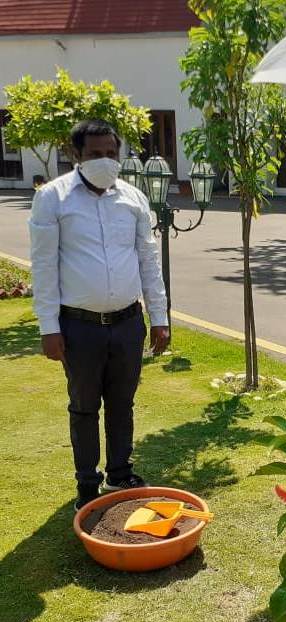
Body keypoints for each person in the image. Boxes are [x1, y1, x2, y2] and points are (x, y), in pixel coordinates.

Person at [29, 119, 169, 511]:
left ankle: (120, 472)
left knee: (122, 403)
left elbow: (148, 260)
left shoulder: (133, 198)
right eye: (95, 154)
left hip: (127, 323)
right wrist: (48, 327)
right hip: (79, 327)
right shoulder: (53, 199)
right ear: (76, 155)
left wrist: (159, 318)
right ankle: (87, 483)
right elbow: (43, 267)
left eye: (111, 153)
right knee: (84, 406)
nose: (105, 160)